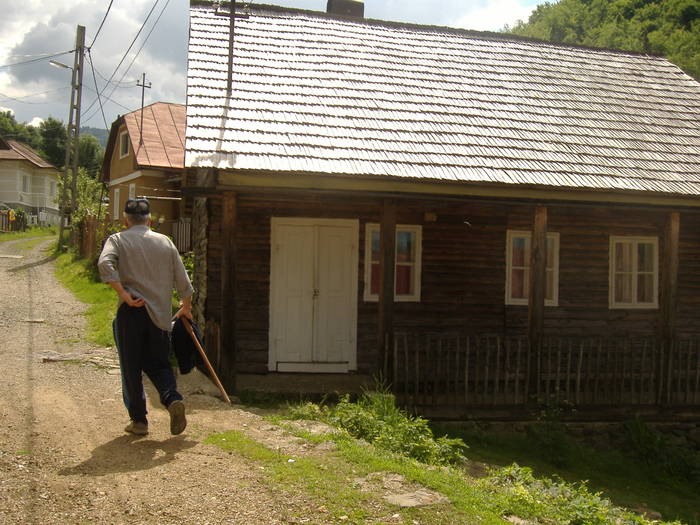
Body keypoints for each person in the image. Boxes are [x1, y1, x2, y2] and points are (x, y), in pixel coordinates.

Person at [98, 198, 194, 436]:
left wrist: (123, 293)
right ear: (150, 219)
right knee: (160, 364)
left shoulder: (118, 239)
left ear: (125, 220)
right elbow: (183, 281)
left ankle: (139, 421)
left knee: (131, 367)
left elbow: (104, 263)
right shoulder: (165, 242)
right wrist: (186, 307)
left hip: (131, 313)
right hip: (159, 316)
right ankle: (172, 399)